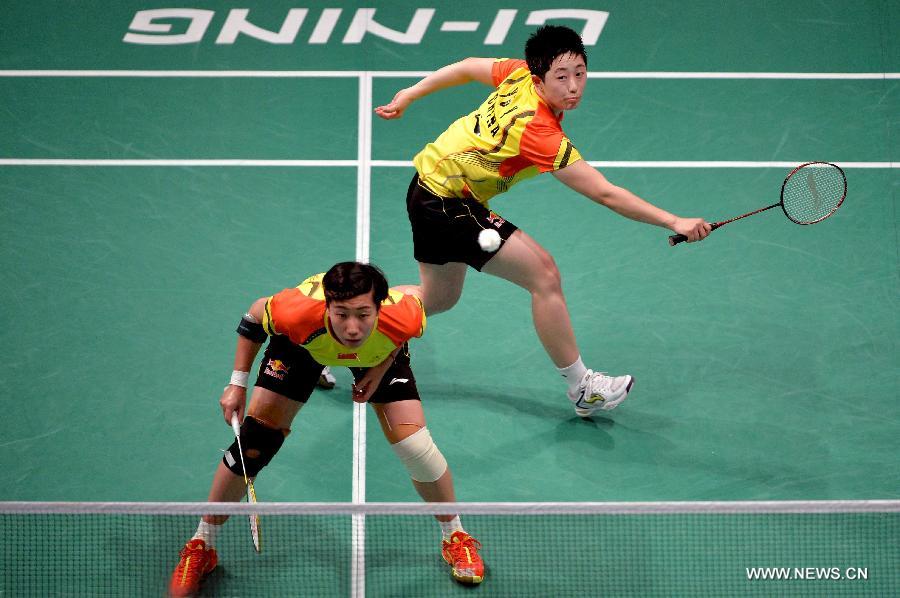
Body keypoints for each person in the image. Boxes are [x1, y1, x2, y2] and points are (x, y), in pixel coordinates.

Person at [375, 25, 711, 417]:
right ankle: (582, 386)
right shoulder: (539, 132)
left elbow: (467, 67)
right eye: (562, 78)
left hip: (429, 187)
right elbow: (604, 193)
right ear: (539, 78)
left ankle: (341, 324)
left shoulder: (520, 74)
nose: (573, 87)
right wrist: (674, 220)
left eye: (580, 73)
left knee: (438, 298)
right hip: (447, 202)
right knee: (544, 275)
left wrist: (413, 93)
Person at [169, 262, 484, 597]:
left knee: (416, 448)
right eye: (342, 313)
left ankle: (455, 535)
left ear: (379, 307)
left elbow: (401, 333)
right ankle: (202, 544)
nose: (352, 327)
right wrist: (237, 384)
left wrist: (378, 369)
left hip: (376, 350)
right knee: (254, 443)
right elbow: (253, 318)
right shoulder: (297, 312)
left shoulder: (403, 314)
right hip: (302, 347)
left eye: (363, 313)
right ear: (327, 307)